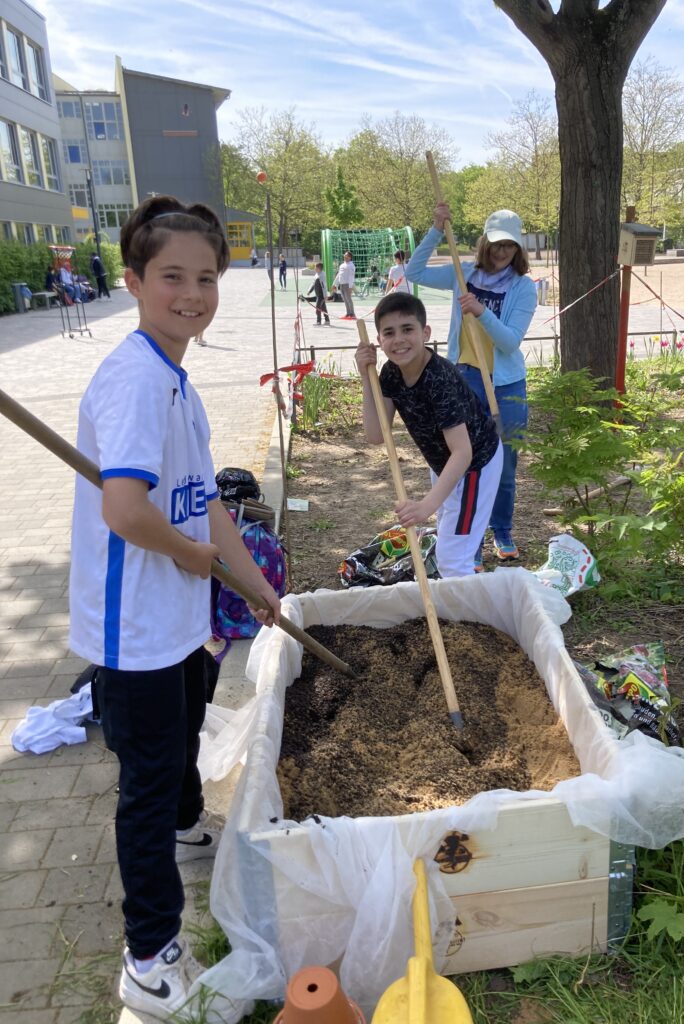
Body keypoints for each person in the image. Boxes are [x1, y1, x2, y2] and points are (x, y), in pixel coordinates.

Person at [68, 194, 282, 1022]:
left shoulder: (175, 377)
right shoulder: (133, 380)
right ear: (132, 281)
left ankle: (192, 825)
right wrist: (198, 561)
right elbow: (125, 510)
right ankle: (149, 955)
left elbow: (209, 507)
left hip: (178, 618)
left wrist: (250, 582)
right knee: (145, 790)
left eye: (205, 277)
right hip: (136, 631)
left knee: (183, 737)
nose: (191, 293)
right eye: (171, 278)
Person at [405, 205, 537, 569]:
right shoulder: (464, 274)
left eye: (509, 246)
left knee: (504, 464)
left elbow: (510, 342)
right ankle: (470, 542)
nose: (501, 252)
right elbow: (413, 272)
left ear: (518, 249)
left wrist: (481, 312)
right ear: (484, 243)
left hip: (506, 386)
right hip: (464, 381)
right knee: (467, 464)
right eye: (496, 244)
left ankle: (503, 529)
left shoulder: (524, 288)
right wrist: (434, 230)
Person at [355, 292, 502, 578]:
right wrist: (365, 377)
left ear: (425, 332)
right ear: (379, 340)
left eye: (407, 329)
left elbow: (463, 452)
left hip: (475, 467)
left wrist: (425, 506)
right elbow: (375, 434)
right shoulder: (391, 374)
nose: (398, 339)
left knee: (453, 557)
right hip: (444, 463)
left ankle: (466, 616)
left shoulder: (439, 379)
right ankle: (459, 599)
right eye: (389, 333)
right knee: (450, 538)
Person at [331, 250, 356, 319]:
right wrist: (334, 284)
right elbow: (339, 275)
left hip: (347, 285)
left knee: (349, 299)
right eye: (344, 255)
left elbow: (351, 277)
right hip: (341, 285)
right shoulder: (342, 265)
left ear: (350, 257)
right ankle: (348, 313)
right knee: (345, 299)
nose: (344, 256)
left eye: (346, 255)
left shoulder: (351, 266)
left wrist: (350, 287)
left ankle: (352, 314)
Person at [304, 261, 331, 326]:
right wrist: (309, 291)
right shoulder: (316, 275)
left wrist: (325, 295)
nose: (314, 268)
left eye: (315, 267)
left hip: (321, 295)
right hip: (317, 294)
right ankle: (327, 320)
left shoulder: (322, 275)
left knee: (317, 308)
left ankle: (318, 321)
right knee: (323, 308)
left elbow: (324, 286)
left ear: (319, 268)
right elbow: (313, 284)